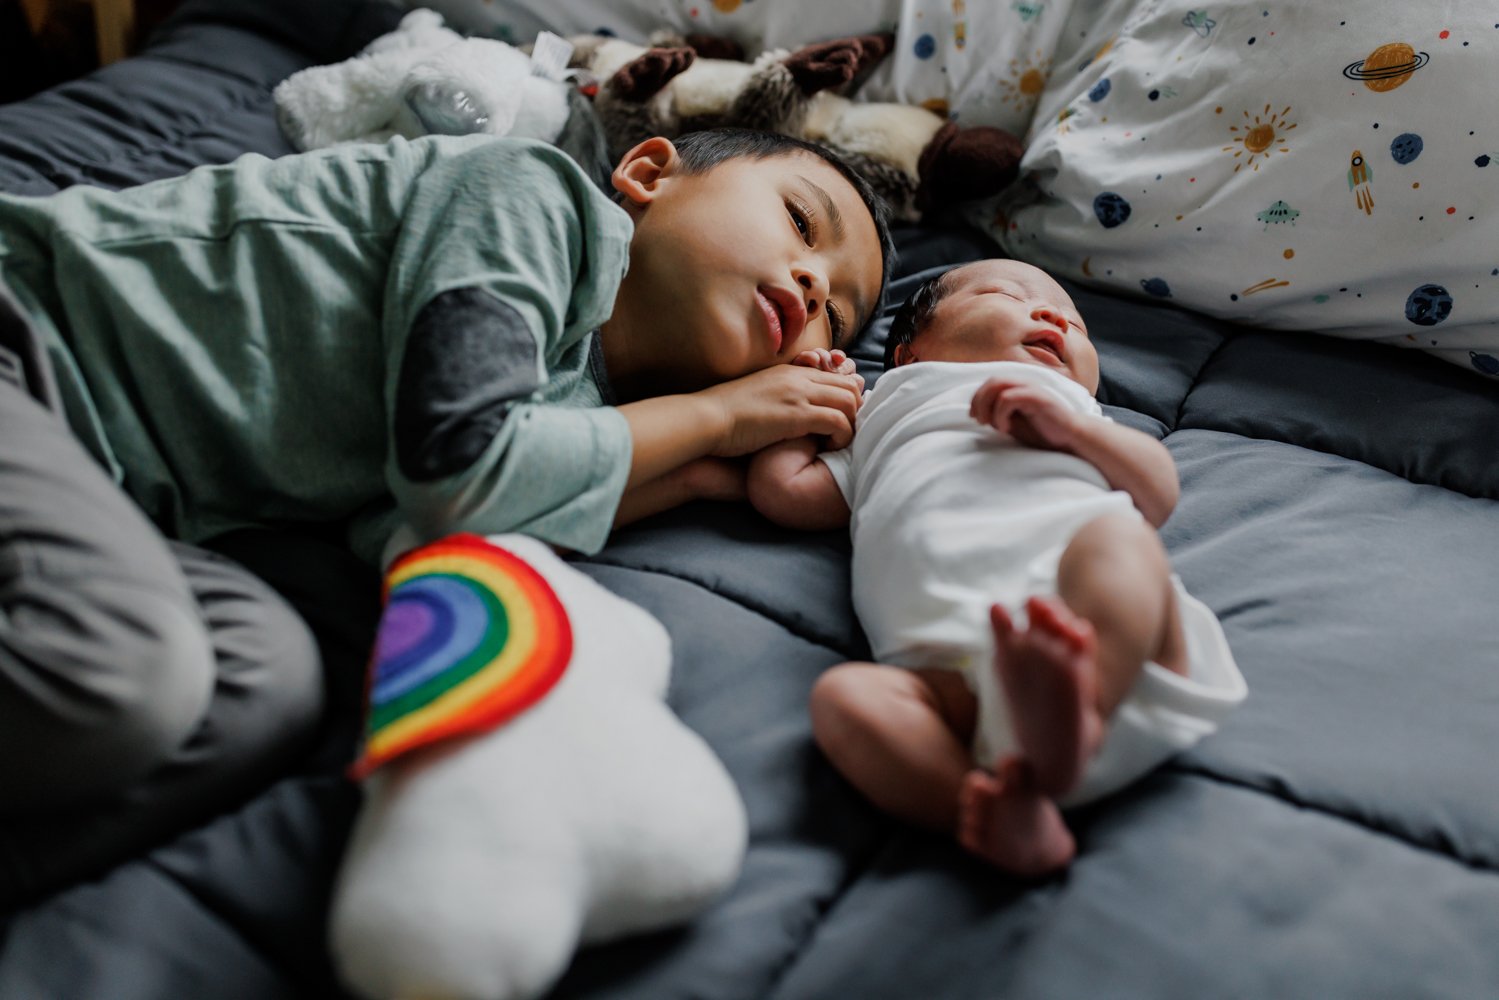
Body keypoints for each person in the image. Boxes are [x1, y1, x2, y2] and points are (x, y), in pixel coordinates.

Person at [0, 127, 893, 906]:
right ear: (649, 173)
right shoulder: (530, 196)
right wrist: (720, 419)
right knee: (130, 671)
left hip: (108, 480)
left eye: (840, 318)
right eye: (802, 224)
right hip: (31, 335)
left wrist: (701, 478)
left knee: (264, 689)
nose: (815, 286)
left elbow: (409, 529)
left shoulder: (578, 406)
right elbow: (456, 464)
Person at [747, 259, 1246, 875]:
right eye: (1008, 294)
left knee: (1119, 540)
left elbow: (1157, 492)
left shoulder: (1070, 407)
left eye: (1078, 325)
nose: (1054, 317)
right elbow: (785, 494)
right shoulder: (878, 410)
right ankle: (991, 809)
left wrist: (1071, 431)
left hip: (1095, 629)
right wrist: (809, 416)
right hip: (953, 687)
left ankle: (1086, 705)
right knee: (844, 699)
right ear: (910, 353)